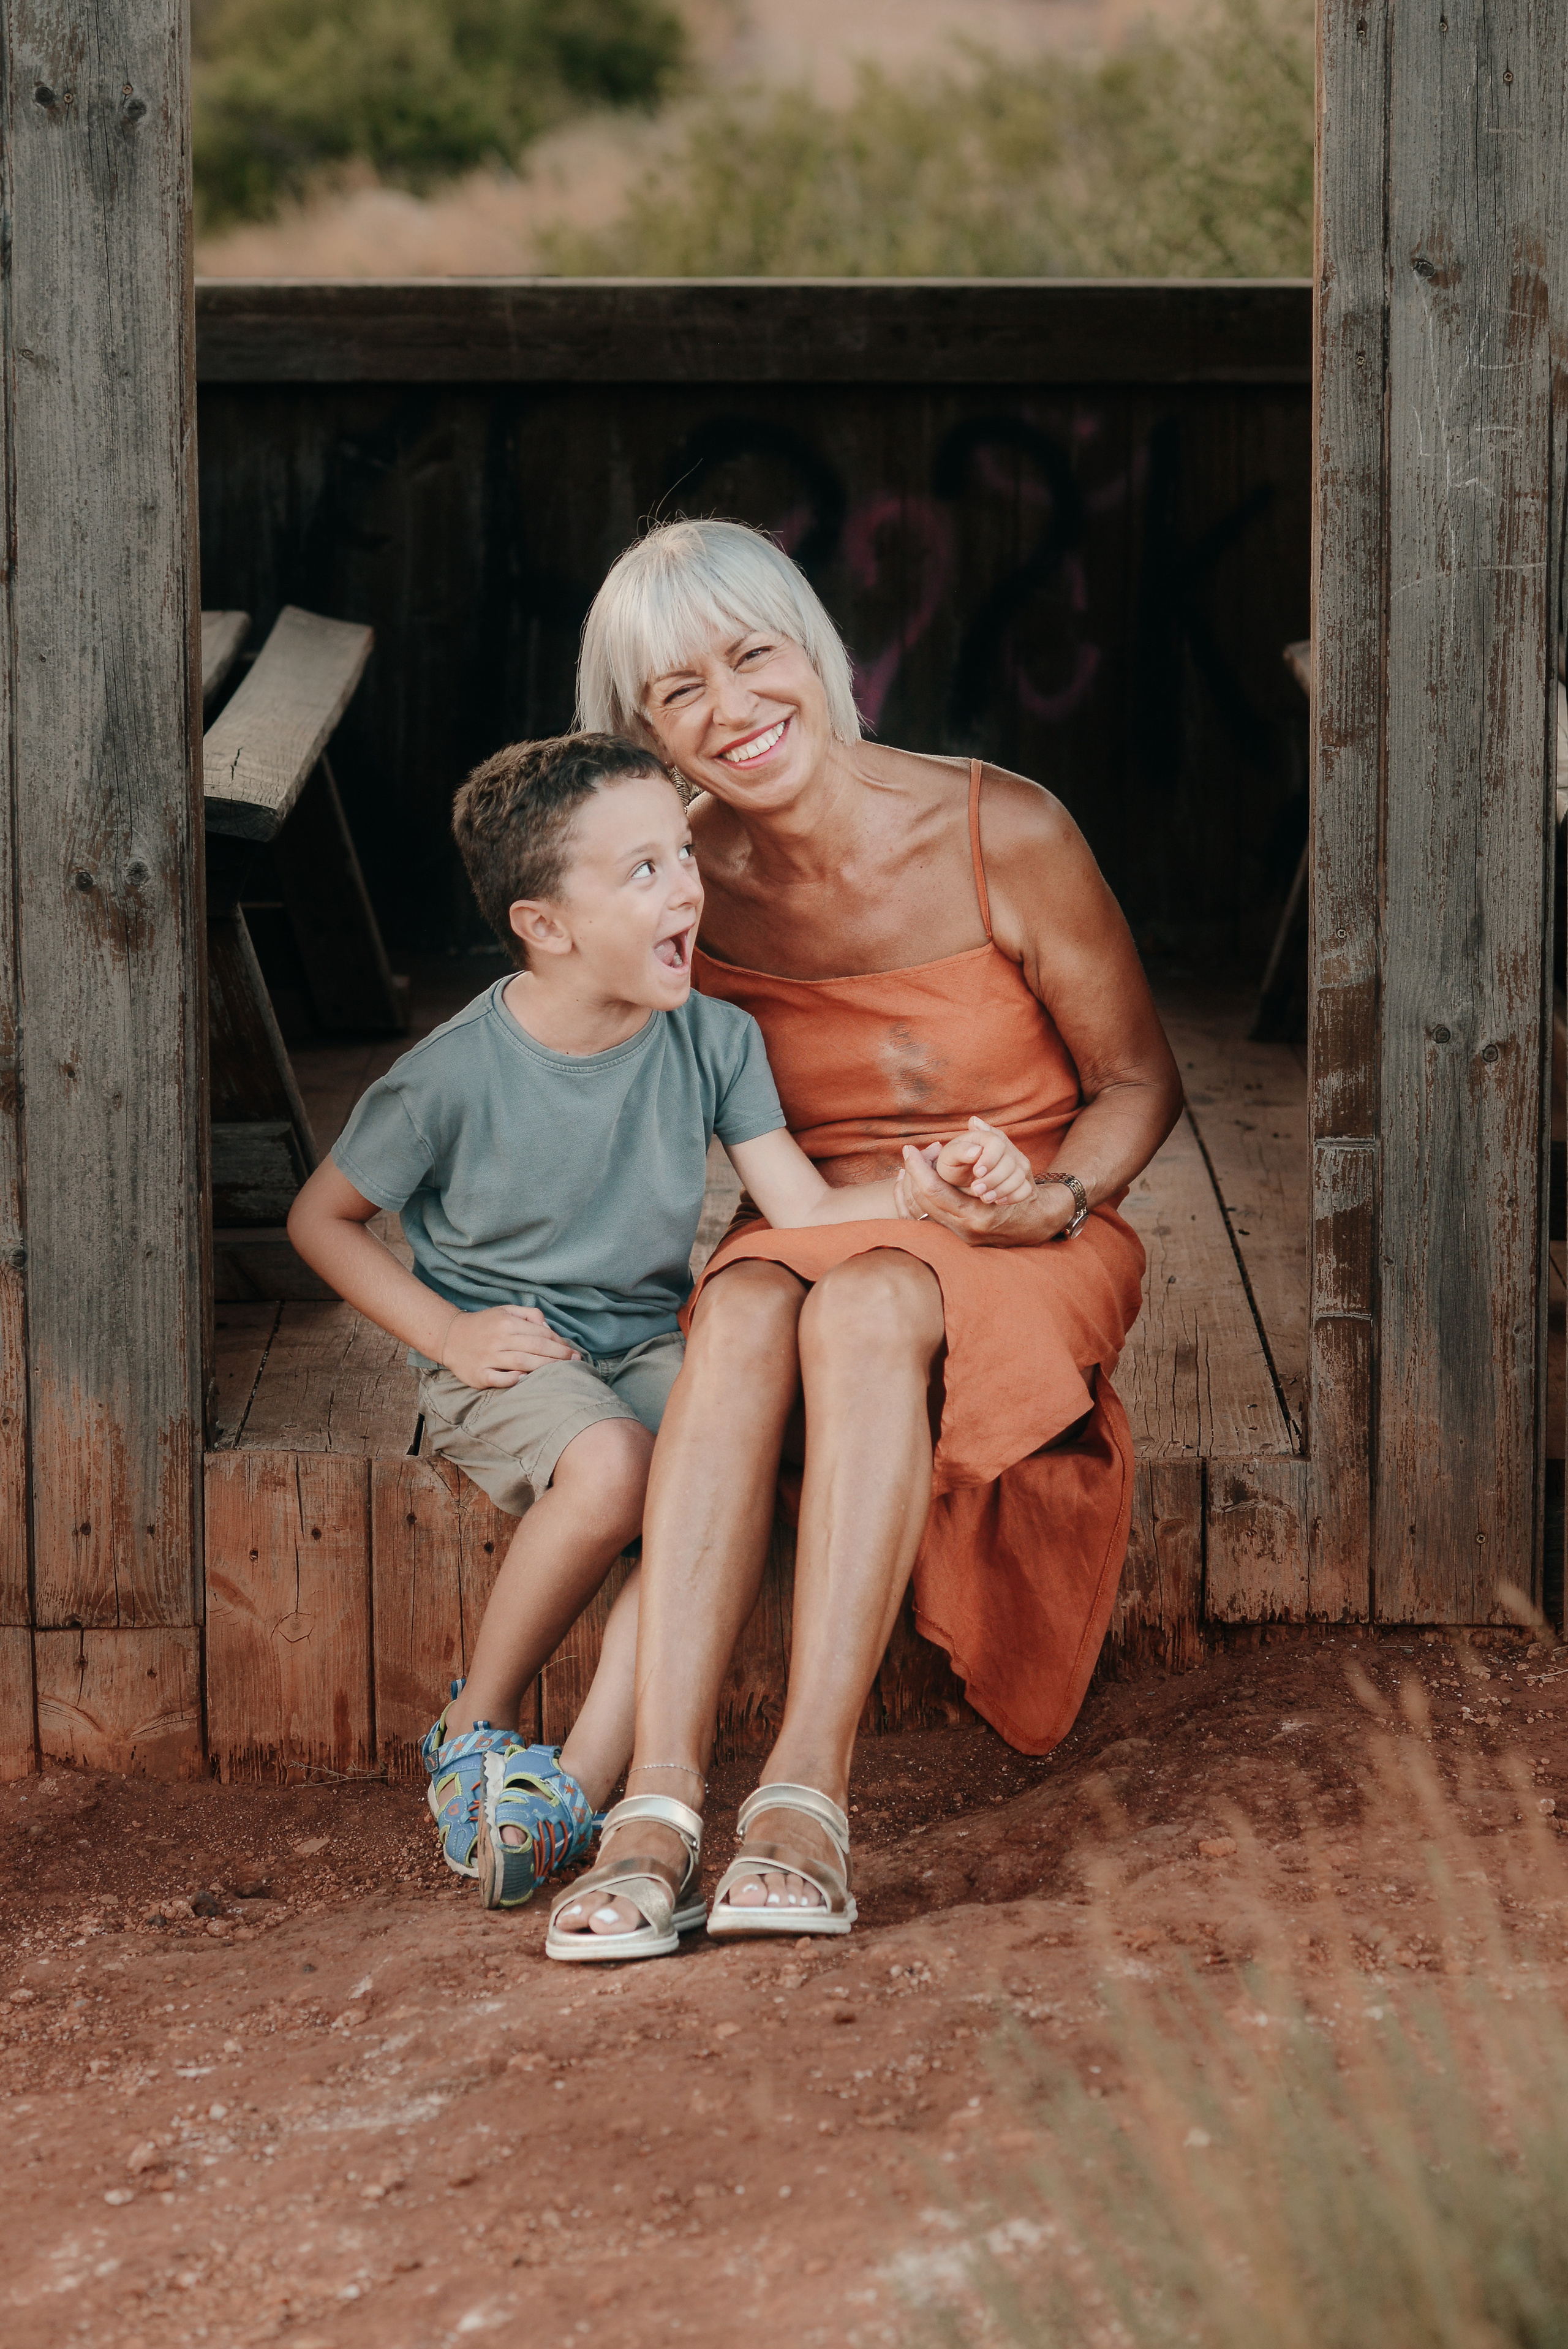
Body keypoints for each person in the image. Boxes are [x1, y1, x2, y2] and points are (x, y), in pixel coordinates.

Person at [547, 518, 1183, 1960]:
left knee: (865, 1307)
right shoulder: (677, 883)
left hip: (1028, 1222)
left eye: (752, 655)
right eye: (676, 693)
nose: (732, 710)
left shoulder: (995, 827)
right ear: (639, 733)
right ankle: (653, 1805)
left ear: (816, 654)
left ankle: (802, 1801)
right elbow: (576, 1068)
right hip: (817, 1209)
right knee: (758, 1307)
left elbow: (1139, 1081)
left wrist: (1046, 1196)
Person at [287, 730, 1035, 1913]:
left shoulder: (714, 1037)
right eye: (642, 870)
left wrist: (913, 1194)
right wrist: (448, 1337)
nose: (687, 887)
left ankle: (579, 1781)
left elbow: (794, 1205)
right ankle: (474, 1730)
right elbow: (320, 1218)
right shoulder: (450, 1076)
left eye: (682, 854)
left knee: (711, 1480)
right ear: (546, 923)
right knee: (620, 1469)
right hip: (510, 1353)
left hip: (643, 1340)